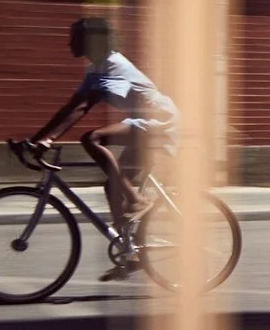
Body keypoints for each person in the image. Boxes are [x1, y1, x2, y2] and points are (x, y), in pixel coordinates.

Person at [28, 16, 179, 276]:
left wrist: (49, 139)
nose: (69, 44)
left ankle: (137, 199)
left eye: (74, 39)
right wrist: (36, 138)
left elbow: (83, 106)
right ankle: (130, 253)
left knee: (92, 139)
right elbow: (69, 107)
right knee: (112, 185)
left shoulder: (114, 65)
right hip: (143, 123)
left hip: (161, 121)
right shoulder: (96, 69)